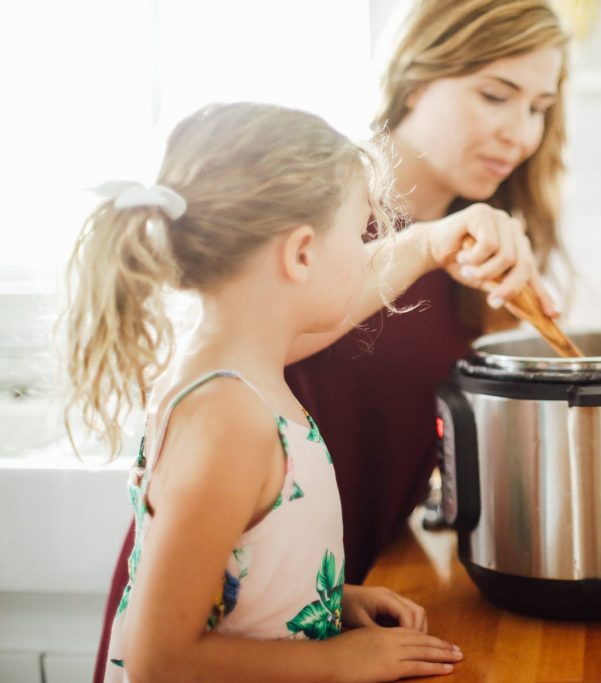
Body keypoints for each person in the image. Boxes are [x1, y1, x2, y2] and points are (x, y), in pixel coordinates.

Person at [94, 2, 571, 679]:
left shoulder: (457, 238)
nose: (520, 132)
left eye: (540, 106)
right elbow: (232, 353)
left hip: (295, 612)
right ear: (415, 78)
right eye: (495, 94)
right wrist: (421, 245)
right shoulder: (308, 212)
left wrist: (325, 601)